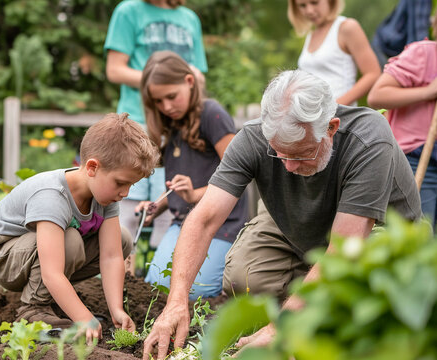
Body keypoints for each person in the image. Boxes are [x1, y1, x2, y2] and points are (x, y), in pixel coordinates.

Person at [143, 70, 422, 360]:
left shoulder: (368, 140)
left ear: (331, 128)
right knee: (244, 277)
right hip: (298, 224)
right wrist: (176, 301)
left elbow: (343, 249)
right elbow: (203, 220)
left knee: (359, 312)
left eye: (300, 154)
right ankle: (308, 299)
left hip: (373, 240)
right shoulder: (254, 137)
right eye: (279, 153)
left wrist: (280, 327)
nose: (288, 167)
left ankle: (311, 314)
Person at [0, 113, 159, 342]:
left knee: (122, 238)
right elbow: (52, 272)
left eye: (130, 185)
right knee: (70, 239)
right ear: (93, 167)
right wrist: (84, 317)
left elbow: (112, 256)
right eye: (120, 183)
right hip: (4, 257)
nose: (125, 193)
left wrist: (116, 310)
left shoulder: (105, 196)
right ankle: (33, 308)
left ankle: (53, 301)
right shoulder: (52, 196)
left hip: (40, 256)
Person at [137, 51, 248, 299]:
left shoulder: (212, 114)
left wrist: (195, 194)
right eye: (158, 101)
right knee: (156, 287)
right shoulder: (173, 123)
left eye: (171, 97)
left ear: (189, 82)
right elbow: (180, 190)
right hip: (184, 222)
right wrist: (158, 206)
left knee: (196, 291)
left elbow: (240, 173)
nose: (166, 106)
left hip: (221, 224)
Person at [104, 0, 208, 250]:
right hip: (138, 123)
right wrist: (162, 83)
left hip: (176, 129)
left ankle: (156, 282)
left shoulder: (189, 18)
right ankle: (122, 281)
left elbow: (198, 75)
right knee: (127, 207)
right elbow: (115, 70)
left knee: (168, 204)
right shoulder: (128, 12)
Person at [368, 0, 437, 229]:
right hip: (416, 156)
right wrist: (429, 90)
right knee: (418, 232)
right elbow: (377, 95)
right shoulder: (423, 53)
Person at [289, 0, 381, 105]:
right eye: (302, 6)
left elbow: (372, 74)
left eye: (314, 2)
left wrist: (335, 106)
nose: (309, 10)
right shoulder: (311, 35)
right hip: (315, 115)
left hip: (341, 115)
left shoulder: (347, 27)